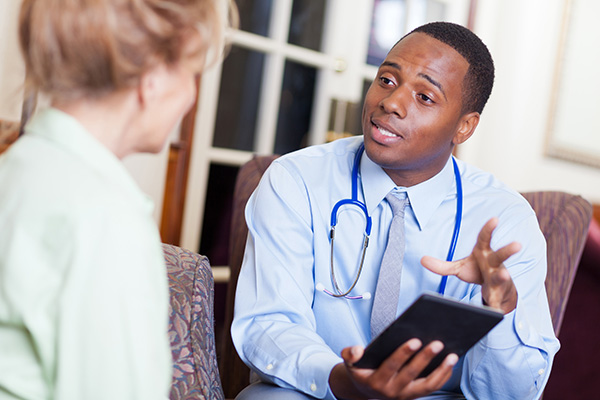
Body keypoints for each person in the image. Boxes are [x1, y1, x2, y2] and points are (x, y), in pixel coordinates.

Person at [231, 21, 559, 400]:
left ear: (464, 127)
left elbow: (509, 396)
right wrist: (345, 380)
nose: (391, 103)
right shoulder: (296, 181)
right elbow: (269, 324)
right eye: (387, 80)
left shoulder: (505, 220)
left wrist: (500, 311)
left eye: (425, 97)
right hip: (322, 390)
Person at [0, 0, 235, 398]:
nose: (192, 97)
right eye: (192, 74)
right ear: (153, 77)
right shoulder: (106, 217)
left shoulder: (18, 165)